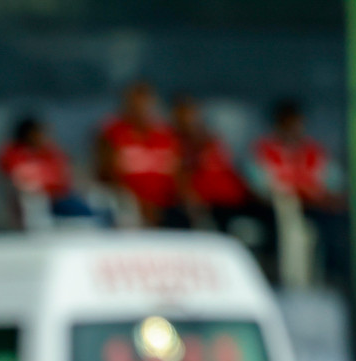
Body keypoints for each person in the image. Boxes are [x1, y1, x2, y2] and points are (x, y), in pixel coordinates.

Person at [252, 99, 349, 285]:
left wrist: (331, 198)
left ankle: (335, 278)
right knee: (283, 222)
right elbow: (259, 187)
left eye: (297, 123)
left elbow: (335, 183)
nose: (293, 128)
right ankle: (285, 280)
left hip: (317, 207)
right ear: (278, 124)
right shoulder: (264, 149)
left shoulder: (313, 151)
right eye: (288, 123)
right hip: (282, 209)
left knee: (339, 222)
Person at [172, 95, 272, 245]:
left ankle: (267, 262)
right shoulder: (181, 146)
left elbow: (234, 170)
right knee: (222, 228)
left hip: (236, 198)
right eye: (185, 116)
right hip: (212, 203)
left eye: (193, 115)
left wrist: (255, 193)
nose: (190, 121)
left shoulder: (215, 141)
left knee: (270, 213)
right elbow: (181, 177)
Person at [96, 81, 184, 227]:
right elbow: (106, 174)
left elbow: (178, 175)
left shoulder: (166, 135)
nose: (140, 108)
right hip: (127, 206)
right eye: (134, 103)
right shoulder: (112, 134)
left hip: (166, 207)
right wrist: (139, 204)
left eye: (144, 103)